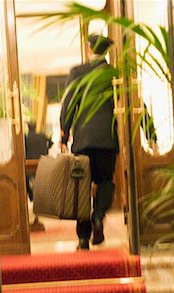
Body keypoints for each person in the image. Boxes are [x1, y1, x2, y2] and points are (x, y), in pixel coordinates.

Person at [60, 33, 119, 250]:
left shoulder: (78, 72)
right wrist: (149, 132)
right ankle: (98, 218)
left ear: (88, 48)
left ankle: (83, 238)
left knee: (81, 188)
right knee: (105, 181)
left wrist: (64, 135)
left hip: (83, 140)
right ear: (106, 51)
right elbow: (133, 100)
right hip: (107, 139)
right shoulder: (114, 73)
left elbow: (68, 104)